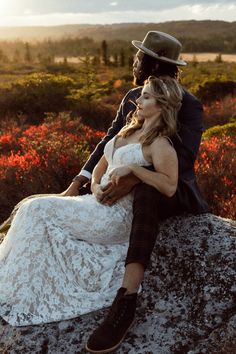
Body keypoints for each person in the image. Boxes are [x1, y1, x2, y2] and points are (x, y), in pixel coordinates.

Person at [63, 31, 209, 353]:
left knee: (146, 194)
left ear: (155, 63)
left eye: (141, 55)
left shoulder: (189, 104)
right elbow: (110, 142)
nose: (136, 61)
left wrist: (134, 177)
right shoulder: (132, 96)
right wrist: (80, 182)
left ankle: (126, 301)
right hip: (120, 183)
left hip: (171, 188)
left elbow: (182, 161)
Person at [0, 76, 182, 330]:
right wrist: (95, 187)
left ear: (162, 105)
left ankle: (19, 291)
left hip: (114, 217)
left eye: (146, 96)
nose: (137, 100)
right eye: (141, 94)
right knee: (32, 208)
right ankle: (15, 284)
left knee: (36, 209)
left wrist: (134, 170)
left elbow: (170, 185)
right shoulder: (128, 130)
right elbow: (100, 167)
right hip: (95, 203)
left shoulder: (160, 144)